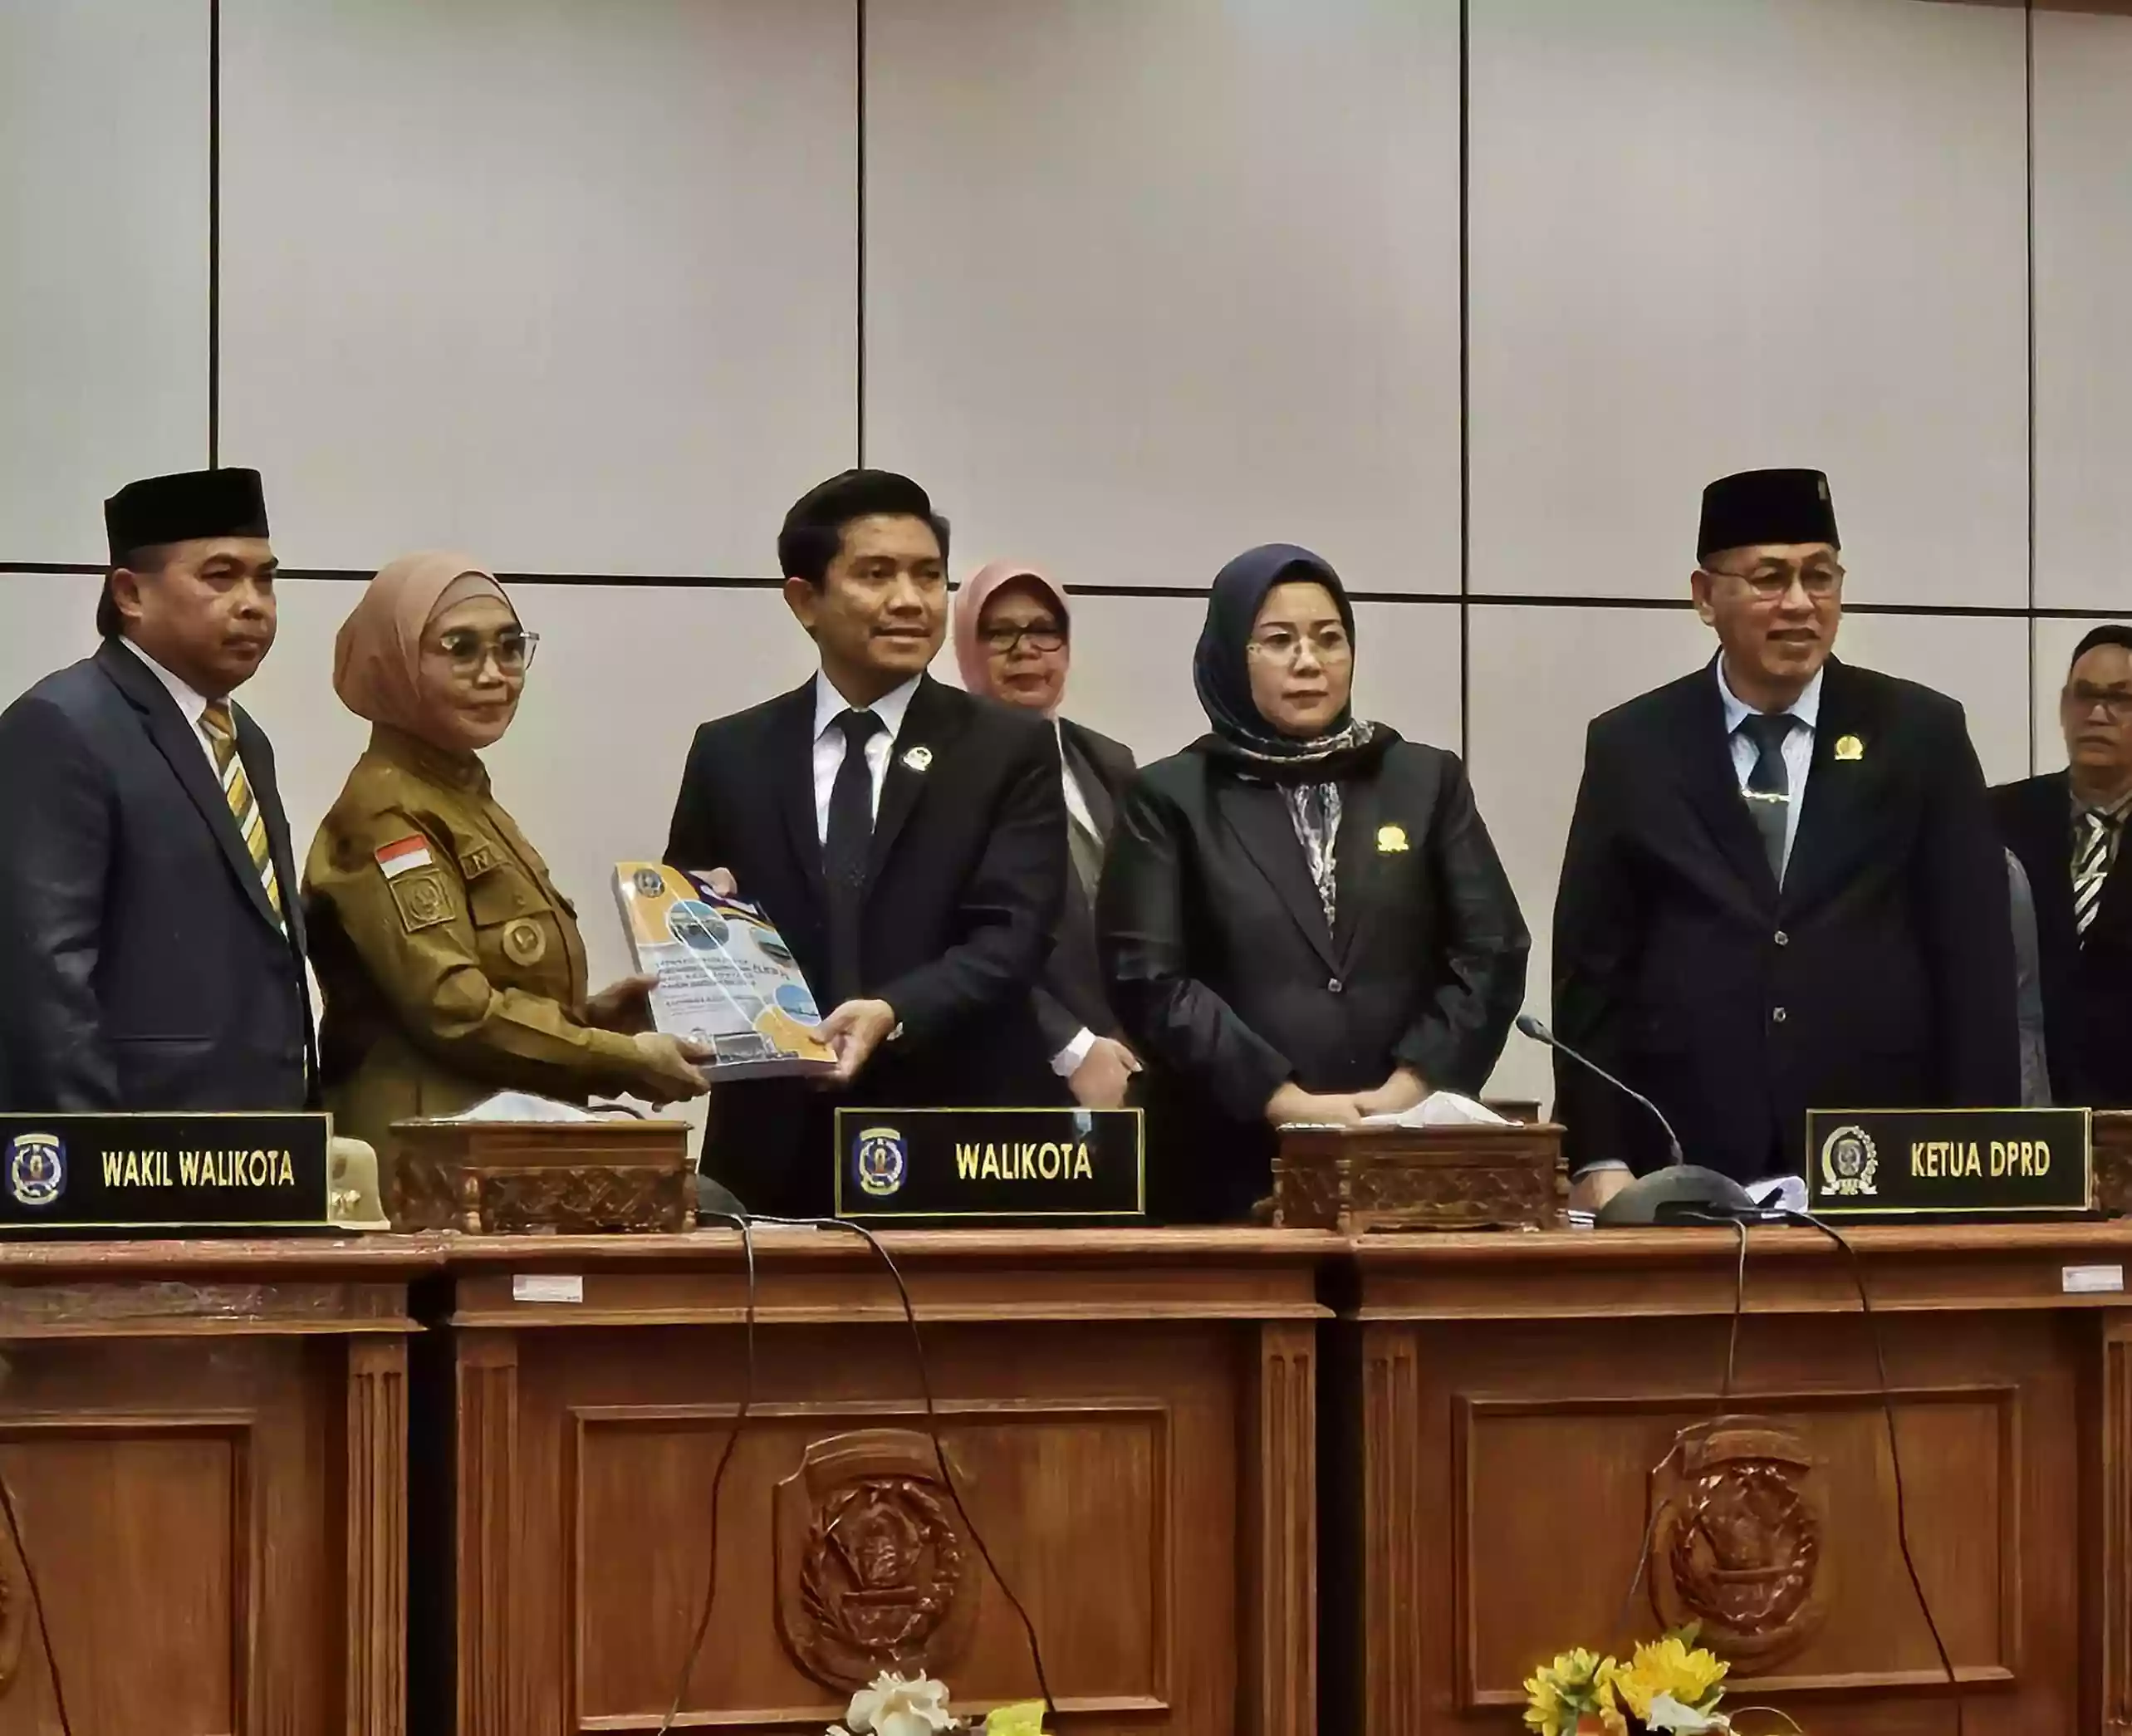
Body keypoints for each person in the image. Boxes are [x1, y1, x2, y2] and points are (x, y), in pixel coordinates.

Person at [1553, 468, 2019, 1208]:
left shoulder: (1919, 734)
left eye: (1819, 576)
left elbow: (1975, 963)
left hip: (1882, 1155)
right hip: (1680, 1154)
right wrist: (1597, 1155)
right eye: (1769, 578)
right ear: (1705, 597)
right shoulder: (1632, 746)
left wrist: (1980, 1154)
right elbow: (1592, 970)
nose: (1799, 604)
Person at [664, 470, 1068, 1218]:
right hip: (774, 1142)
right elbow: (692, 919)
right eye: (875, 575)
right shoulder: (731, 751)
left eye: (927, 577)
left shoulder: (1006, 748)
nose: (910, 601)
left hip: (956, 1137)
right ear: (804, 600)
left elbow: (1015, 934)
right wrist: (690, 949)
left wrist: (892, 1009)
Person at [1098, 543, 1528, 1223]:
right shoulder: (1171, 796)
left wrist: (1406, 1089)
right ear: (1230, 657)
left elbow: (1491, 949)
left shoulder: (1421, 781)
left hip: (1402, 1160)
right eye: (1278, 641)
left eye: (1329, 639)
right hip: (1223, 1166)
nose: (1309, 661)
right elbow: (1147, 978)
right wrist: (1284, 1101)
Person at [304, 552, 708, 1160]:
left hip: (493, 1144)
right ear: (392, 664)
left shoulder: (459, 795)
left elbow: (488, 983)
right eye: (459, 649)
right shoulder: (389, 813)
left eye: (510, 647)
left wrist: (594, 1019)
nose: (494, 674)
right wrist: (621, 1060)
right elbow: (456, 1009)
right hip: (421, 1164)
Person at [0, 468, 312, 1111]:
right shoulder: (62, 725)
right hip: (135, 1162)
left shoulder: (243, 739)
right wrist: (98, 1165)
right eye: (220, 577)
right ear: (130, 595)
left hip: (258, 1152)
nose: (253, 602)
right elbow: (43, 983)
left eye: (265, 578)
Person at [953, 560, 1140, 1108]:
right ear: (966, 645)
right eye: (1000, 633)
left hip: (1127, 1066)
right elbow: (950, 936)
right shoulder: (946, 771)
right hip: (1006, 1071)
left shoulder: (1108, 760)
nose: (1025, 649)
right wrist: (1071, 1045)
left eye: (1043, 630)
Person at [1992, 625, 2132, 1106]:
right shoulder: (1993, 820)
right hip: (2022, 1112)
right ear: (2063, 706)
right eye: (2084, 695)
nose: (2097, 714)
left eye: (2120, 699)